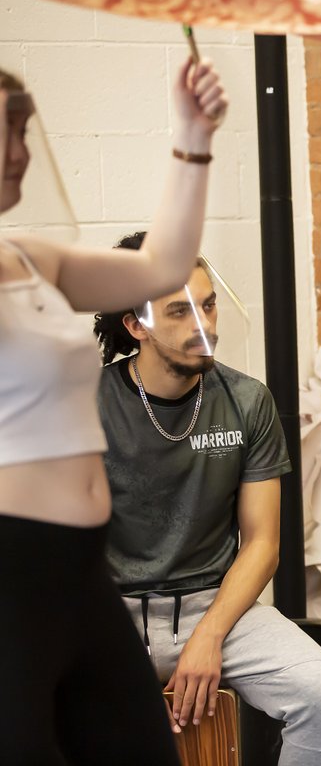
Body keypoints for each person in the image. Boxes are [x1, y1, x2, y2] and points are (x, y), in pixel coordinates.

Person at [0, 58, 226, 763]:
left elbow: (161, 267)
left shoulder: (30, 259)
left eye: (23, 127)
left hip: (79, 573)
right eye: (2, 130)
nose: (20, 152)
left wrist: (192, 136)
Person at [92, 231, 321, 765]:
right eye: (180, 313)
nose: (204, 326)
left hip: (218, 607)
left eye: (208, 305)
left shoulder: (247, 401)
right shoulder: (84, 404)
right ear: (135, 325)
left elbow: (262, 544)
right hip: (108, 612)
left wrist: (208, 636)